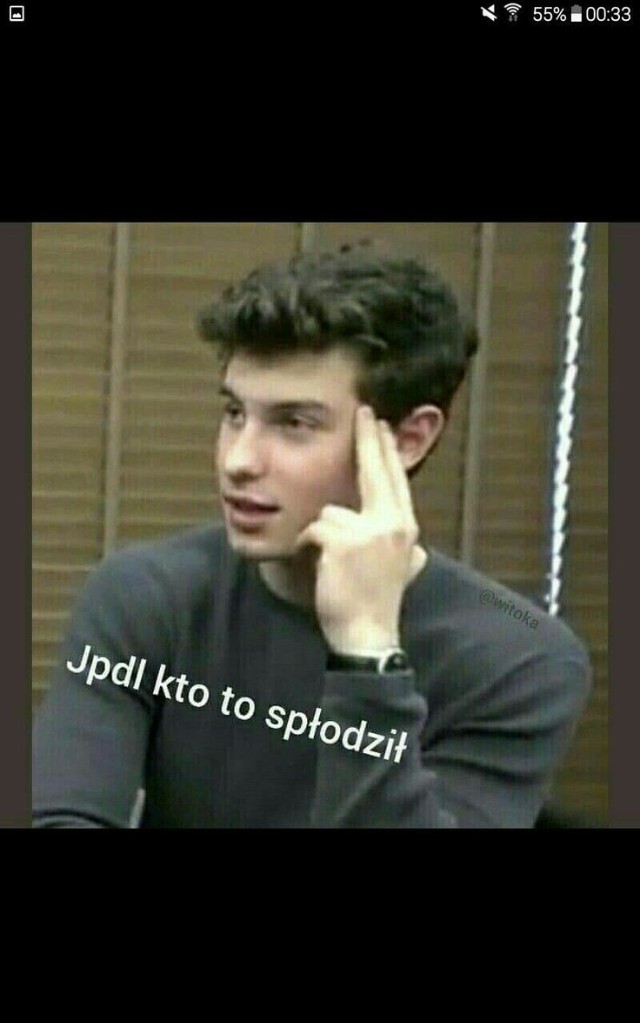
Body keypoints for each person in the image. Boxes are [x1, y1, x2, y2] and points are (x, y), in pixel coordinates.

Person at [32, 242, 592, 828]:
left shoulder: (522, 656)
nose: (238, 460)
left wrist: (368, 654)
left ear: (408, 440)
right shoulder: (146, 597)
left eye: (294, 423)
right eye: (234, 414)